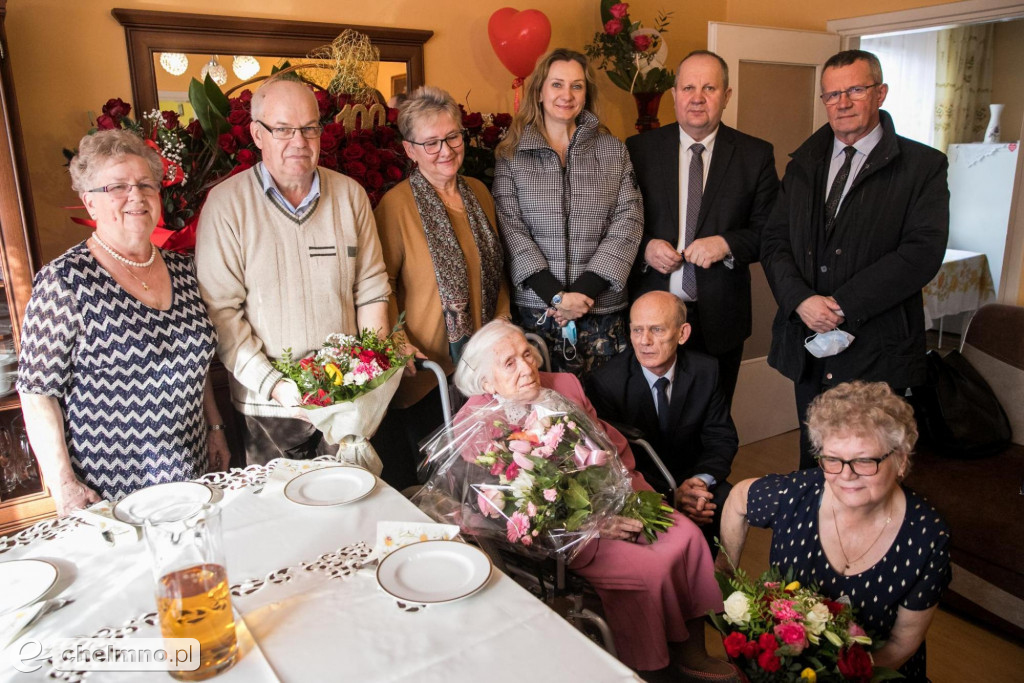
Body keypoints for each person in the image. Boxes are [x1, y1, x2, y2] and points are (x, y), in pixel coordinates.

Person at [453, 320, 737, 682]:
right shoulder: (478, 425)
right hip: (565, 530)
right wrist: (593, 523)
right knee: (649, 568)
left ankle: (692, 647)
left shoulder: (564, 385)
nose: (528, 368)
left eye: (528, 354)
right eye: (510, 363)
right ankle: (651, 666)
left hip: (619, 494)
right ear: (486, 382)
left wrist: (617, 497)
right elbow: (507, 508)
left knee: (687, 538)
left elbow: (606, 446)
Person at [16, 129, 227, 515]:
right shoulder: (65, 281)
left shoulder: (183, 269)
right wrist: (64, 484)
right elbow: (36, 392)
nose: (136, 195)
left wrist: (215, 429)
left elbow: (193, 361)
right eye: (117, 186)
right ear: (89, 203)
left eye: (146, 184)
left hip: (190, 469)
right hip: (110, 488)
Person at [760, 49, 948, 469]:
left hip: (877, 348)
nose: (842, 103)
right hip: (807, 341)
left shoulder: (923, 167)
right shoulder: (804, 163)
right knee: (814, 460)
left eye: (855, 90)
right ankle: (814, 535)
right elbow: (774, 241)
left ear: (880, 93)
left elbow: (922, 253)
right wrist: (800, 300)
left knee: (869, 467)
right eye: (831, 95)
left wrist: (843, 305)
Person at [196, 77, 390, 465]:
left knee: (351, 511)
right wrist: (275, 386)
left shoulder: (350, 196)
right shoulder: (226, 204)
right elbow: (221, 313)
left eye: (309, 128)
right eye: (283, 129)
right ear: (256, 133)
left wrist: (369, 377)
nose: (299, 141)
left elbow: (371, 290)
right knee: (283, 518)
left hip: (345, 402)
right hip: (269, 408)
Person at [717, 382, 951, 681]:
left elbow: (902, 644)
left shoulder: (927, 536)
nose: (846, 475)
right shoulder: (796, 494)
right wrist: (723, 581)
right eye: (833, 459)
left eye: (865, 460)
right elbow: (738, 498)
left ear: (901, 461)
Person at [371, 86, 509, 490]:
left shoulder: (479, 193)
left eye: (452, 137)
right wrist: (395, 339)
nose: (445, 150)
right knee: (435, 485)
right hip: (425, 371)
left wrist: (501, 327)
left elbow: (496, 270)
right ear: (409, 150)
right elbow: (382, 285)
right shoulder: (395, 205)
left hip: (479, 366)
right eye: (430, 143)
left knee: (482, 477)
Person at [626, 50, 778, 406]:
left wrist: (726, 244)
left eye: (709, 88)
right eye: (688, 87)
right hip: (651, 317)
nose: (697, 98)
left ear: (726, 96)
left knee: (713, 422)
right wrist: (645, 247)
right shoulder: (638, 150)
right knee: (651, 421)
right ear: (675, 94)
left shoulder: (755, 156)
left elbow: (771, 231)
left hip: (720, 320)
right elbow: (615, 222)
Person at [492, 48, 643, 377]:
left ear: (586, 94)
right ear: (540, 91)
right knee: (545, 418)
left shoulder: (614, 150)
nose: (567, 95)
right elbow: (510, 229)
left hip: (602, 310)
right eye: (557, 84)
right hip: (538, 311)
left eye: (577, 86)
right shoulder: (511, 154)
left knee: (606, 416)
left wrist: (584, 292)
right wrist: (557, 297)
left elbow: (628, 222)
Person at [586, 291, 737, 545]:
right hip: (640, 485)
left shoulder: (706, 371)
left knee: (724, 500)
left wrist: (698, 483)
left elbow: (721, 438)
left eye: (656, 330)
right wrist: (672, 493)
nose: (644, 341)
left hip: (692, 475)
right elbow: (614, 464)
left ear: (682, 333)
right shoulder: (606, 383)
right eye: (637, 330)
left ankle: (714, 578)